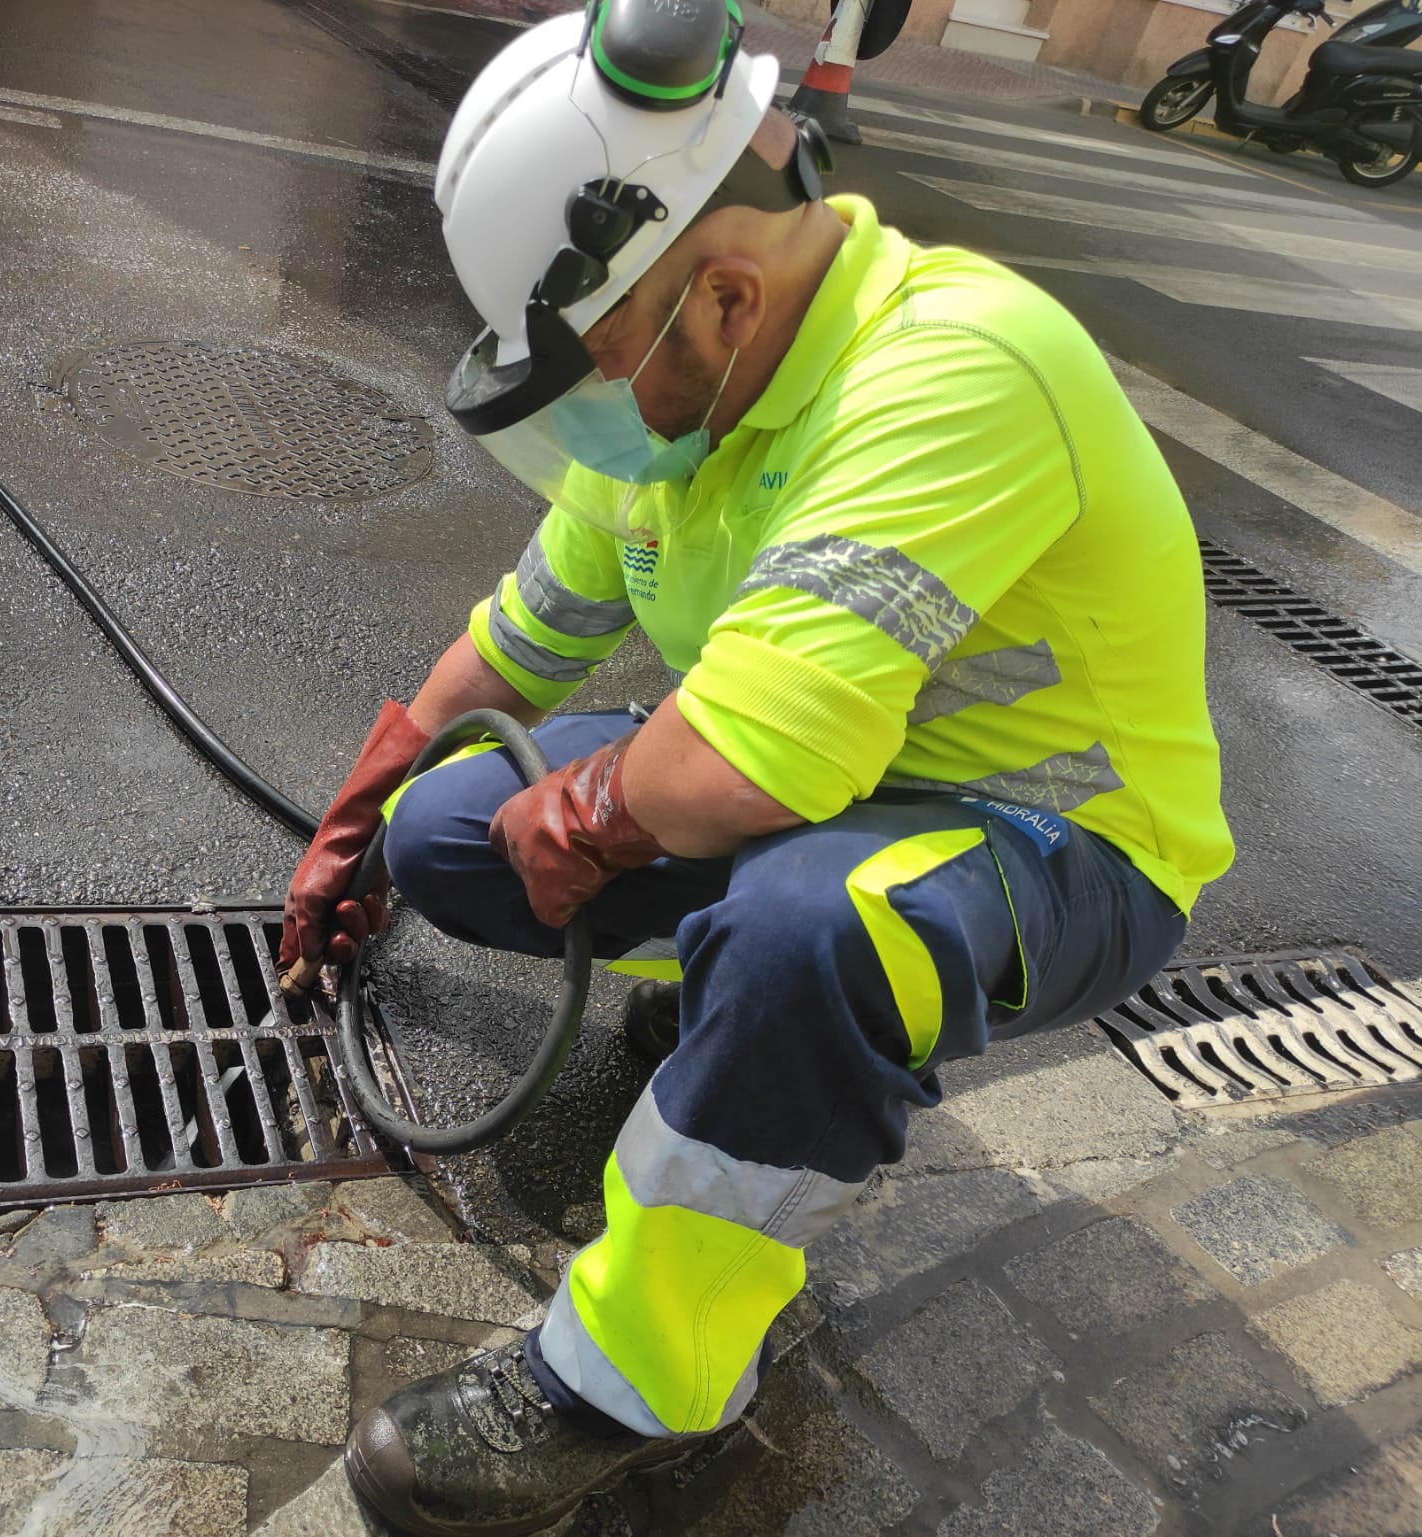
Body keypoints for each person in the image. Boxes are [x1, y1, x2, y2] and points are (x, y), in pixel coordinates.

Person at [275, 4, 1233, 1533]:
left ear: (719, 295)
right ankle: (729, 1023)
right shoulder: (684, 395)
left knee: (811, 932)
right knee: (453, 824)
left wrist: (592, 811)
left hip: (1062, 842)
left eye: (595, 363)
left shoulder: (960, 368)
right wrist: (363, 804)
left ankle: (632, 1382)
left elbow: (737, 762)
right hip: (815, 777)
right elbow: (519, 647)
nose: (596, 408)